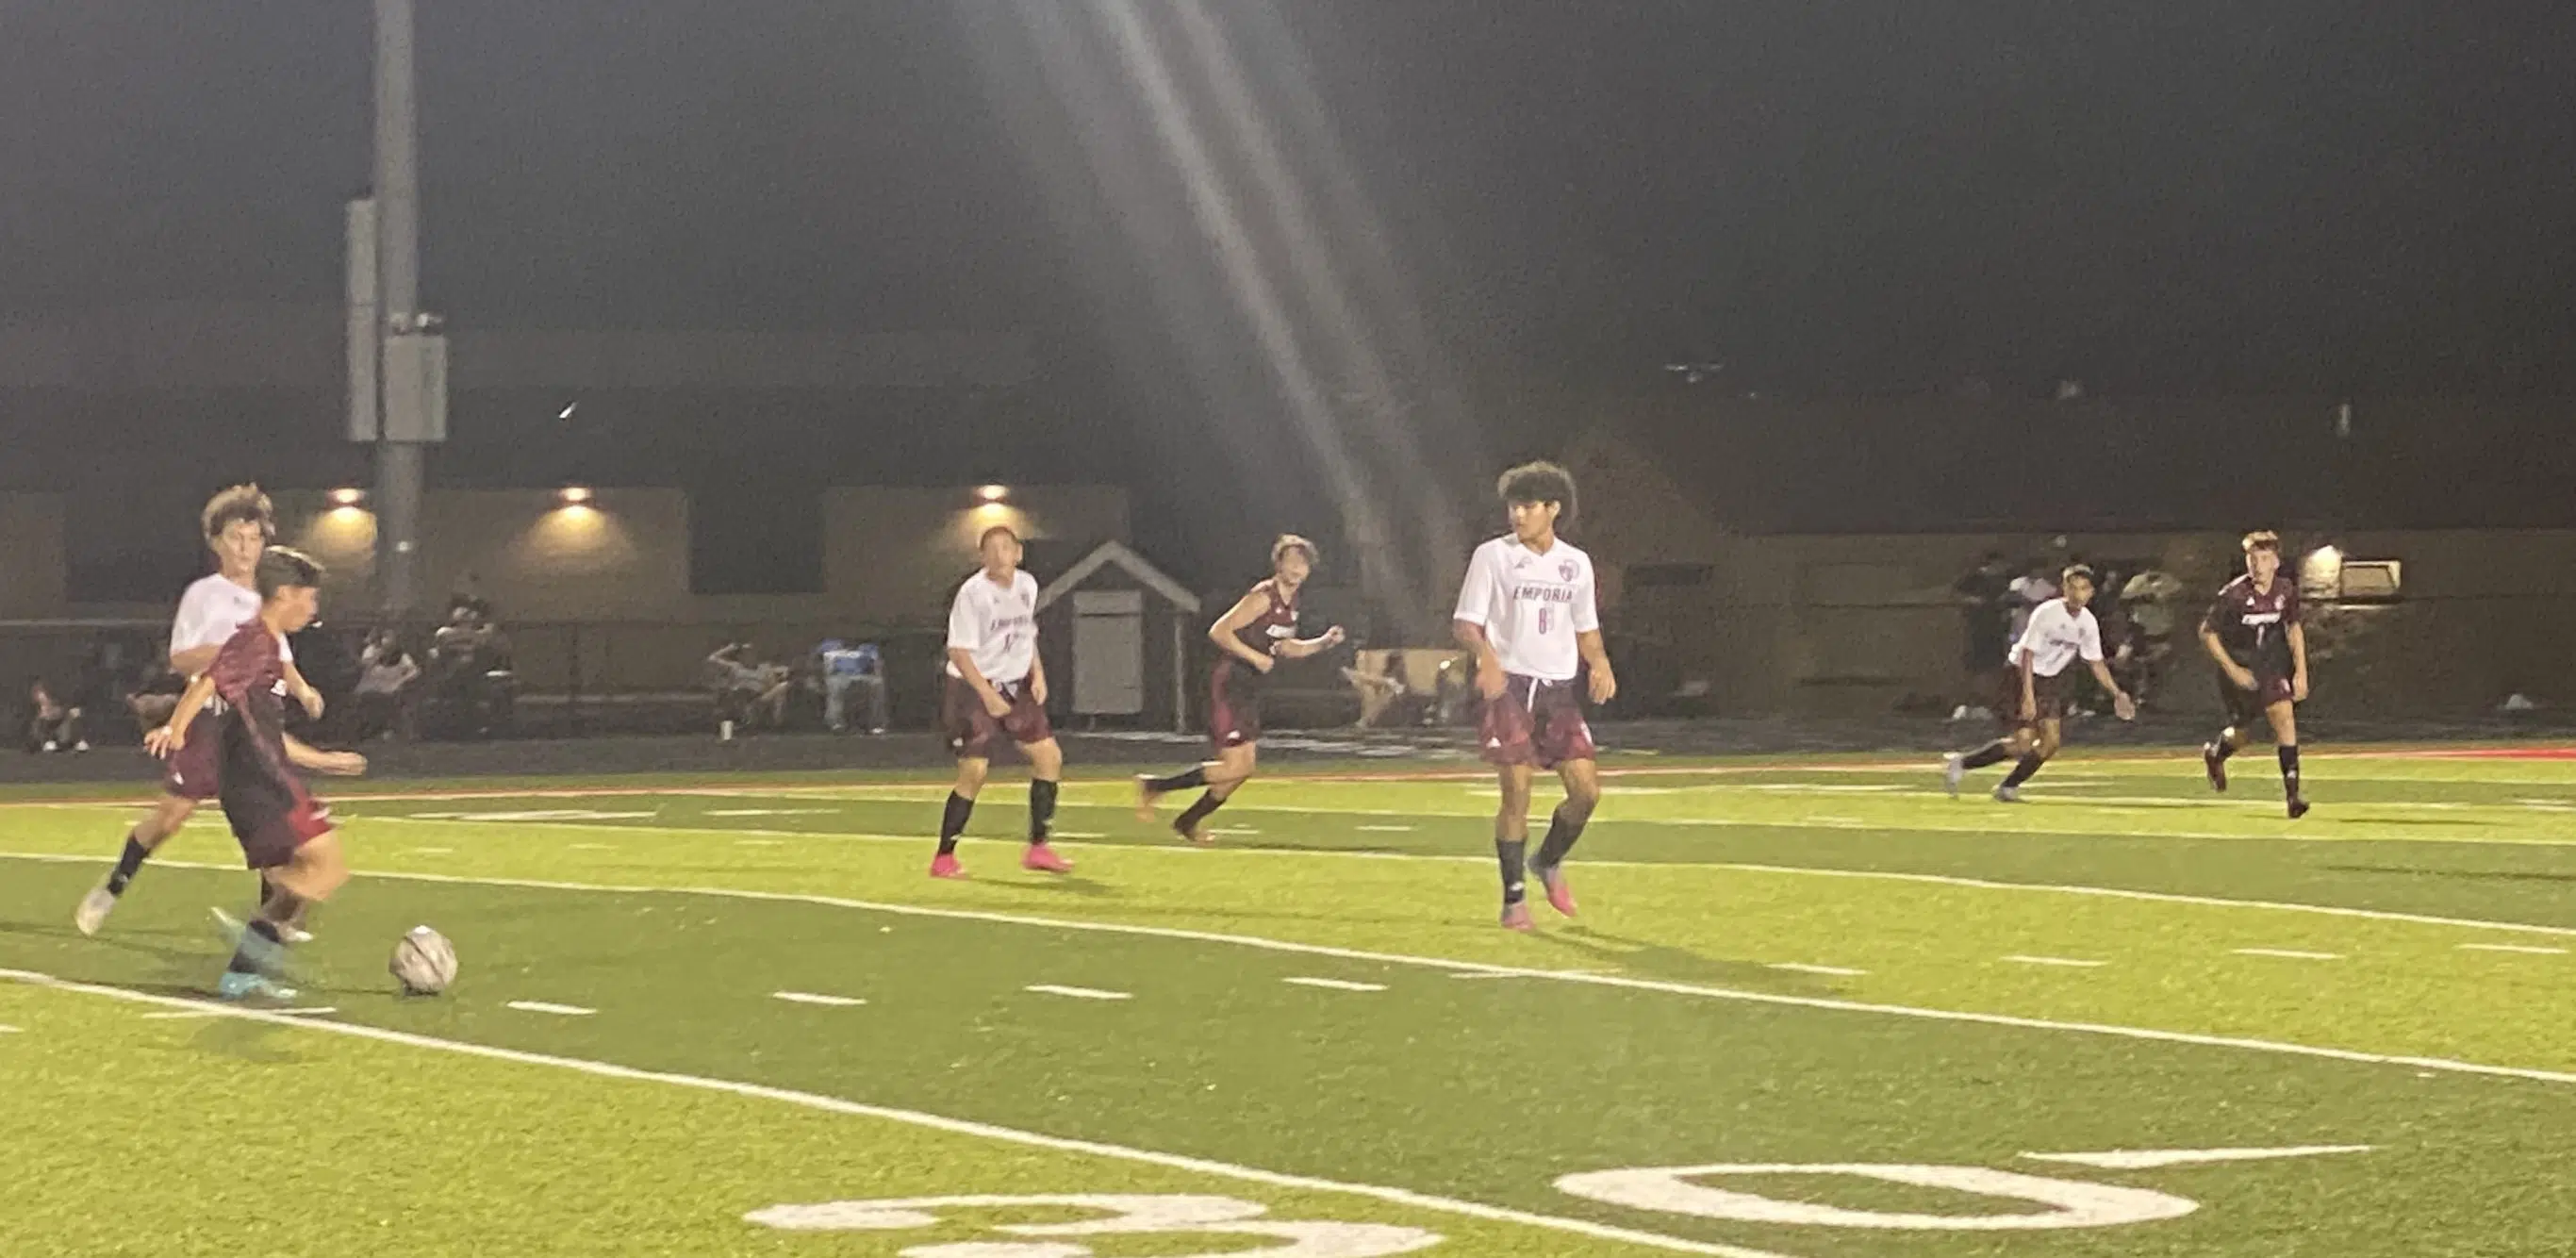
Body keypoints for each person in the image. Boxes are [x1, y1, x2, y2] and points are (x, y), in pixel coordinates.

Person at [75, 486, 325, 938]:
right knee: (168, 820)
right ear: (216, 542)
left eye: (253, 538)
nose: (246, 548)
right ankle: (113, 885)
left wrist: (303, 690)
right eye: (236, 537)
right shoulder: (204, 595)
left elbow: (281, 658)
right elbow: (182, 659)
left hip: (256, 728)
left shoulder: (273, 597)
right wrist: (228, 654)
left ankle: (267, 932)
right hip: (210, 722)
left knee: (270, 831)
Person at [144, 547, 367, 1001]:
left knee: (309, 872)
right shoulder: (254, 643)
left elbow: (266, 731)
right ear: (285, 594)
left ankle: (243, 971)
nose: (313, 608)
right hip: (259, 784)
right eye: (310, 598)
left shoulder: (264, 650)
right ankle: (255, 938)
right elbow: (207, 681)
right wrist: (176, 727)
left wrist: (327, 761)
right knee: (324, 868)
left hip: (265, 779)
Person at [1452, 461, 1616, 932]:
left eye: (1527, 506)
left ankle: (1546, 861)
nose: (1518, 516)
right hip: (1510, 690)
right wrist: (1485, 657)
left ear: (1553, 509)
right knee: (1517, 793)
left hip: (1558, 691)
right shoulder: (1492, 556)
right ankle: (1514, 901)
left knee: (1586, 792)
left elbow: (1586, 628)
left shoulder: (1575, 563)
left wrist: (1600, 663)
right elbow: (1466, 622)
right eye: (1513, 506)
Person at [1135, 535, 1346, 844]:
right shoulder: (1264, 595)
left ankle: (1186, 821)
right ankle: (1155, 787)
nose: (1296, 567)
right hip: (1229, 682)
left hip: (1247, 687)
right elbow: (1219, 631)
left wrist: (1323, 642)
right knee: (1238, 765)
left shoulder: (1292, 604)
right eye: (1290, 561)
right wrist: (1255, 657)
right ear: (1279, 564)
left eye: (1302, 562)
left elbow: (1285, 647)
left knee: (1240, 770)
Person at [930, 525, 1071, 878]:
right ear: (981, 557)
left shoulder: (1027, 585)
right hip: (972, 688)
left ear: (1018, 552)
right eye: (990, 549)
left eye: (1005, 548)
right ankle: (944, 856)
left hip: (1015, 684)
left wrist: (1037, 673)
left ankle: (1038, 847)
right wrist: (988, 695)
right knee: (974, 771)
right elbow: (959, 651)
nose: (998, 555)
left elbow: (1026, 633)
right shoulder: (973, 594)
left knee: (1048, 757)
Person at [1943, 564, 2137, 802]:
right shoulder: (2047, 613)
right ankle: (1962, 763)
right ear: (2064, 589)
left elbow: (2095, 662)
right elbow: (2027, 655)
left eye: (2083, 588)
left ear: (2091, 592)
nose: (2078, 594)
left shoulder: (2087, 622)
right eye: (2072, 588)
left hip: (2049, 680)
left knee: (2050, 743)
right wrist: (2027, 695)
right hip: (2020, 675)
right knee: (2023, 742)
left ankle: (2007, 787)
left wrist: (2117, 693)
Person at [2199, 531, 2312, 819]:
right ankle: (2216, 754)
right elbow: (2207, 632)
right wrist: (2233, 669)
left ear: (2276, 561)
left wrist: (2301, 671)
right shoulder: (2233, 595)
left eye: (2263, 558)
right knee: (2242, 734)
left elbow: (2293, 627)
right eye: (2252, 559)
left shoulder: (2285, 590)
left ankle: (2293, 796)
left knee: (2284, 718)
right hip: (2239, 668)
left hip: (2270, 667)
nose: (2257, 565)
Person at [353, 630, 421, 741]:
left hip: (392, 687)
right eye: (385, 637)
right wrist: (377, 656)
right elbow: (363, 667)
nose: (388, 641)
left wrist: (400, 681)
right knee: (366, 700)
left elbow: (414, 671)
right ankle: (366, 731)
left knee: (394, 700)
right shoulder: (371, 651)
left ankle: (389, 731)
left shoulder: (402, 656)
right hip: (370, 686)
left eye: (391, 638)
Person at [818, 638, 888, 734]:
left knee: (877, 683)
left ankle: (876, 724)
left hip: (863, 676)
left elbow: (876, 665)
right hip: (839, 676)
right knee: (834, 685)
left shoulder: (868, 648)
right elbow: (822, 664)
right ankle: (836, 723)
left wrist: (876, 673)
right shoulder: (830, 646)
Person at [25, 679, 86, 753]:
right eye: (42, 703)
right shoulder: (38, 720)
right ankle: (48, 742)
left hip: (62, 731)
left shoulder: (61, 709)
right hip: (48, 735)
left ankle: (77, 742)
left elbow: (63, 714)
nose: (45, 706)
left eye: (46, 700)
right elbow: (37, 730)